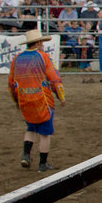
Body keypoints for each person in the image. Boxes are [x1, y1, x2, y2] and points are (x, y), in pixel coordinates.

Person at [8, 28, 65, 173]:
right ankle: (42, 163)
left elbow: (11, 83)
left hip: (24, 99)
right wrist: (61, 96)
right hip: (42, 99)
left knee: (31, 127)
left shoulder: (17, 58)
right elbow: (55, 79)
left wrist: (16, 100)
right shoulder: (43, 57)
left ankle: (26, 155)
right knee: (45, 133)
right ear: (38, 42)